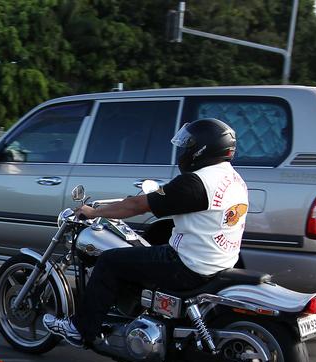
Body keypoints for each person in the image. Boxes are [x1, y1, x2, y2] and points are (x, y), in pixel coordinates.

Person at [43, 118, 248, 347]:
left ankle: (80, 328)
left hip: (189, 265)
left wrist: (93, 212)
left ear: (201, 149)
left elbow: (135, 207)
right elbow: (162, 199)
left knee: (110, 261)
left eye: (188, 146)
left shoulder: (196, 183)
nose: (183, 150)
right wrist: (141, 199)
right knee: (146, 249)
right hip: (221, 261)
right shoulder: (234, 179)